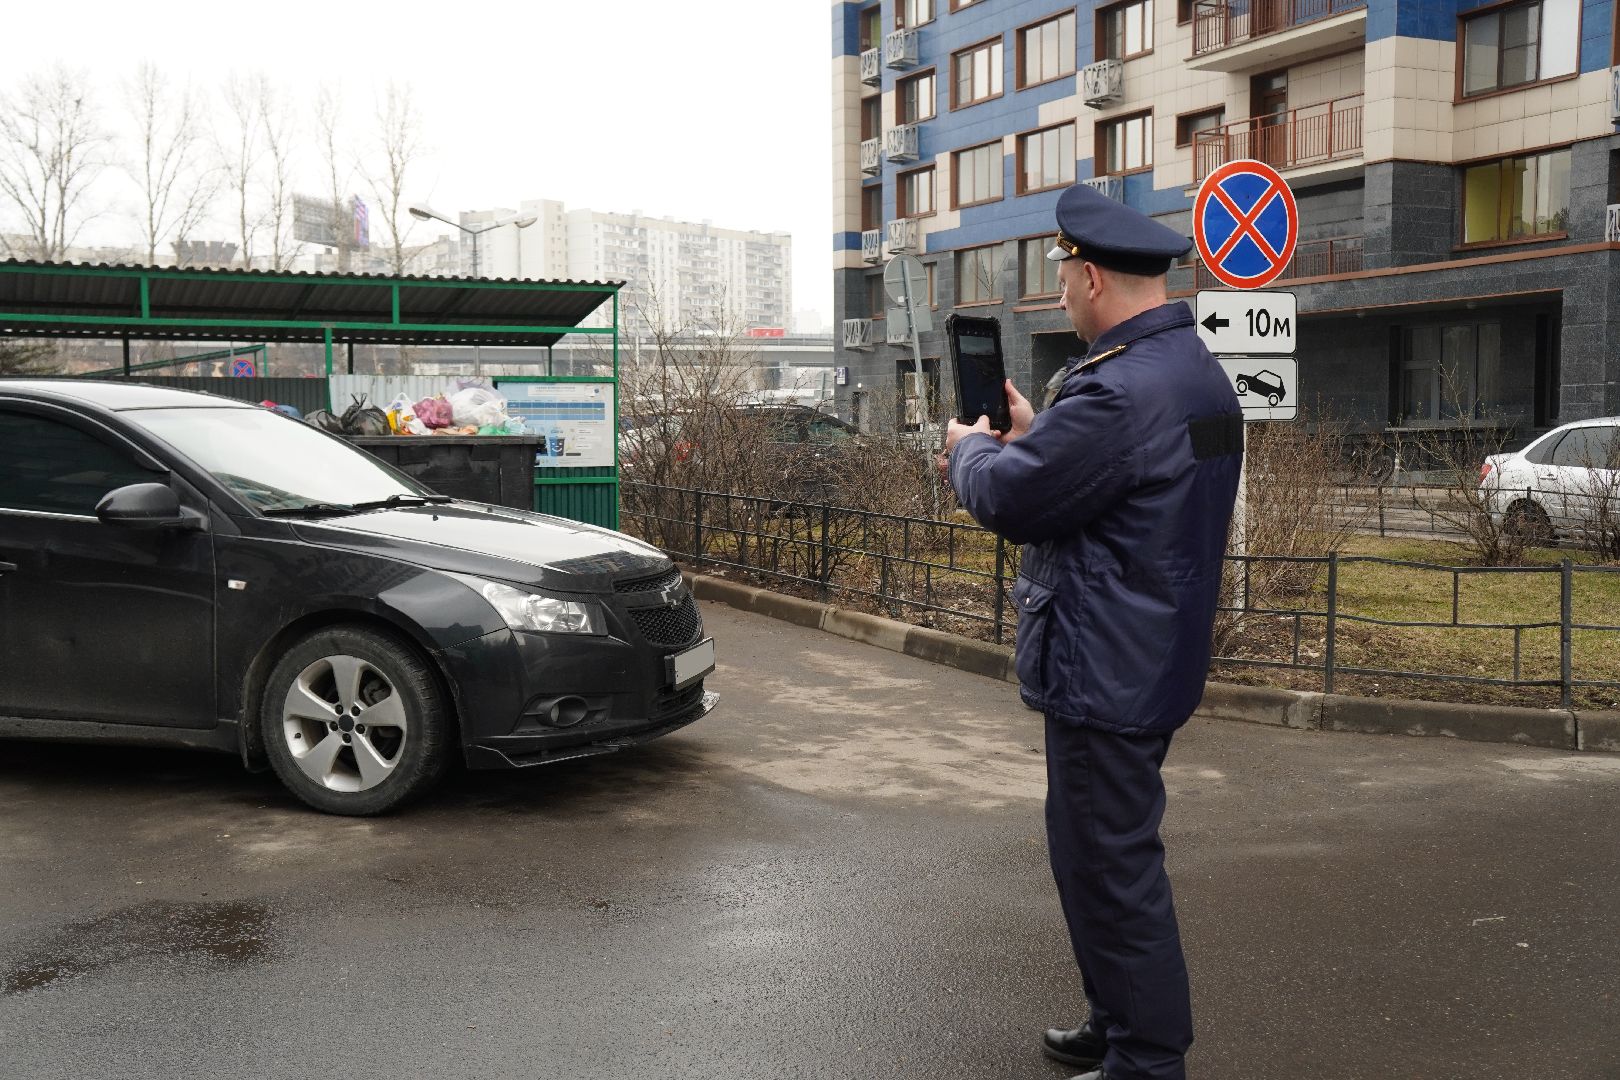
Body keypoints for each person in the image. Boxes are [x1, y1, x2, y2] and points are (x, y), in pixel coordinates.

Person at [943, 182, 1244, 1080]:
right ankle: (1117, 1023)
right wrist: (1039, 433)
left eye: (1064, 269)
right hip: (1146, 655)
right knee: (1097, 860)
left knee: (1110, 870)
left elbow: (1012, 496)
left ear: (1094, 277)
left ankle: (1146, 1059)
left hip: (1104, 667)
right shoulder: (1185, 370)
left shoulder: (1119, 391)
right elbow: (1118, 490)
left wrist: (971, 448)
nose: (1061, 286)